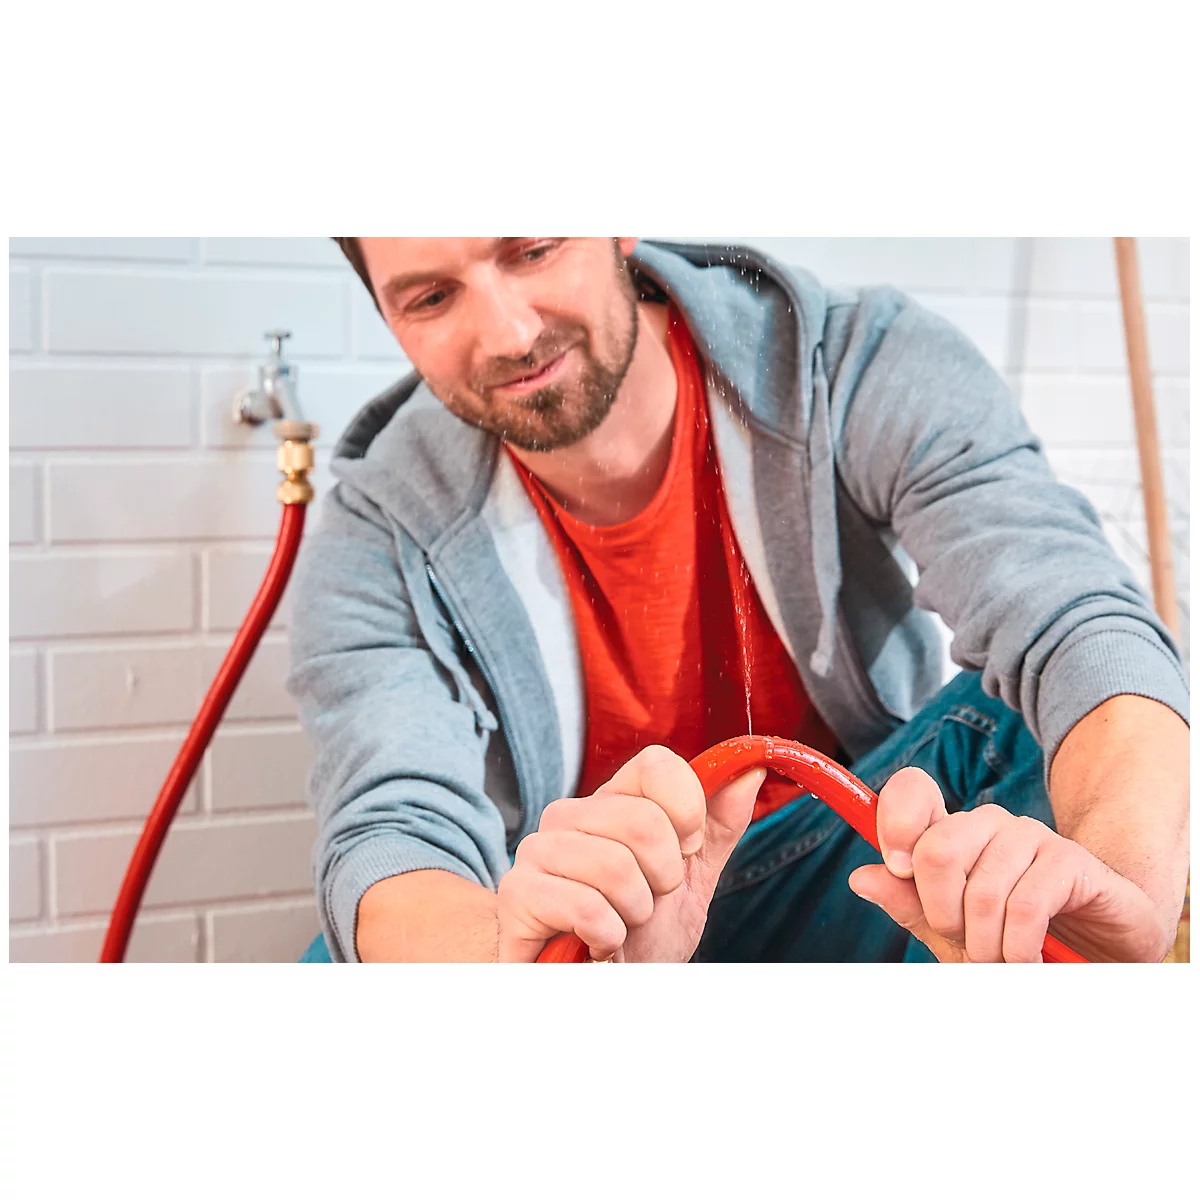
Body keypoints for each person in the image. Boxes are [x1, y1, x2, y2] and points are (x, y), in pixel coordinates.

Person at [288, 237, 1189, 963]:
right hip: (604, 927)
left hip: (856, 875)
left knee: (1017, 731)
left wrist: (1130, 892)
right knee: (344, 965)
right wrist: (517, 965)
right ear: (388, 317)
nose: (510, 333)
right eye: (431, 298)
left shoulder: (855, 362)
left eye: (532, 250)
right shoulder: (377, 532)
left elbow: (1074, 622)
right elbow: (390, 828)